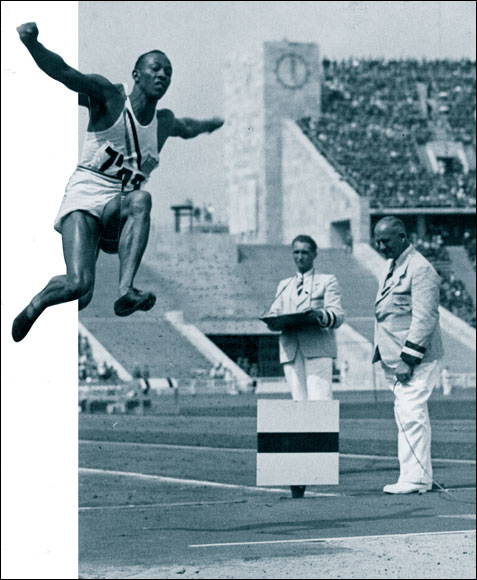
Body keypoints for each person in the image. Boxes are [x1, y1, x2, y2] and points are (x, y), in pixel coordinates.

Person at [12, 22, 224, 342]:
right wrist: (32, 44)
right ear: (137, 74)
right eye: (156, 68)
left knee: (142, 198)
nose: (163, 75)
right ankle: (37, 303)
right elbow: (64, 72)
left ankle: (126, 290)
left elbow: (187, 126)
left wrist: (212, 123)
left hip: (118, 209)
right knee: (79, 290)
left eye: (168, 71)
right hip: (86, 195)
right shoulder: (109, 96)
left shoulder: (162, 122)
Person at [265, 234, 344, 498]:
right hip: (291, 348)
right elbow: (274, 312)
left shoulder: (326, 281)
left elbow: (338, 315)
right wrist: (273, 319)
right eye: (296, 253)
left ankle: (314, 466)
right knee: (298, 407)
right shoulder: (284, 285)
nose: (300, 257)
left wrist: (319, 315)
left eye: (305, 253)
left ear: (314, 255)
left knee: (319, 405)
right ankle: (299, 473)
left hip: (317, 347)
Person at [373, 217, 443, 495]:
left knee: (411, 413)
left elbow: (425, 318)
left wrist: (408, 358)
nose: (380, 246)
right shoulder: (390, 267)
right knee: (408, 414)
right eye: (377, 240)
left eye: (385, 240)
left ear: (403, 237)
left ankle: (416, 479)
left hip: (417, 357)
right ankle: (417, 475)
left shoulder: (420, 269)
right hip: (395, 356)